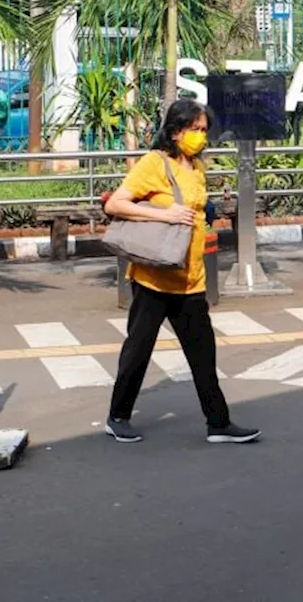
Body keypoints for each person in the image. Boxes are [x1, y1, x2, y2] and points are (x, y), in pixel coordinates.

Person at [102, 98, 260, 444]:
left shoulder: (197, 167)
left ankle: (218, 422)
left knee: (204, 354)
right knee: (138, 351)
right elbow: (116, 203)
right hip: (154, 278)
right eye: (195, 130)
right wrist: (166, 215)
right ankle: (118, 416)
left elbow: (195, 209)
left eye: (204, 130)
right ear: (175, 132)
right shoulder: (154, 163)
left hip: (191, 279)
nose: (200, 137)